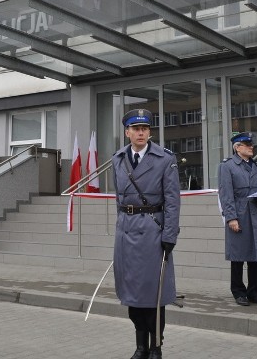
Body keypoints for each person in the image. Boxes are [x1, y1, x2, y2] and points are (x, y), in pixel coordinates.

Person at [112, 109, 180, 359]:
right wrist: (119, 227)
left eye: (145, 129)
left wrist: (170, 235)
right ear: (127, 132)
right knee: (132, 294)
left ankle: (156, 347)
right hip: (126, 232)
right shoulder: (118, 159)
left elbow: (173, 200)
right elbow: (119, 199)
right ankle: (140, 346)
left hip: (153, 231)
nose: (141, 133)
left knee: (155, 294)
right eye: (135, 129)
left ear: (150, 132)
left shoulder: (165, 159)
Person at [218, 131, 257, 306]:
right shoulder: (227, 166)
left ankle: (255, 291)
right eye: (247, 145)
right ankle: (239, 292)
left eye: (251, 145)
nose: (251, 147)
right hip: (239, 214)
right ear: (237, 147)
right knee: (238, 255)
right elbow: (226, 194)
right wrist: (231, 217)